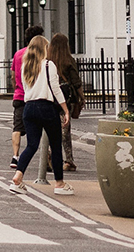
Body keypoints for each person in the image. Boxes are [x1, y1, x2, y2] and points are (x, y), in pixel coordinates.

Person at [8, 34, 72, 196]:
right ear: (44, 48)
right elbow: (55, 88)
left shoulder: (25, 67)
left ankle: (18, 176)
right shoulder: (49, 65)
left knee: (31, 145)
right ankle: (59, 183)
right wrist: (65, 109)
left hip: (28, 108)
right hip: (46, 107)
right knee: (56, 146)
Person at [9, 24, 43, 168]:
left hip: (19, 95)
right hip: (35, 96)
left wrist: (17, 87)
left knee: (17, 127)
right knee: (38, 128)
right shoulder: (39, 55)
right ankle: (45, 158)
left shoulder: (18, 54)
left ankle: (15, 155)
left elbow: (12, 75)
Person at [51, 32, 84, 172]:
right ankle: (68, 160)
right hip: (66, 99)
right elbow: (76, 82)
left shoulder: (48, 60)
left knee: (50, 129)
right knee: (65, 130)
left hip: (51, 98)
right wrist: (81, 97)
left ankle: (49, 156)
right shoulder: (69, 61)